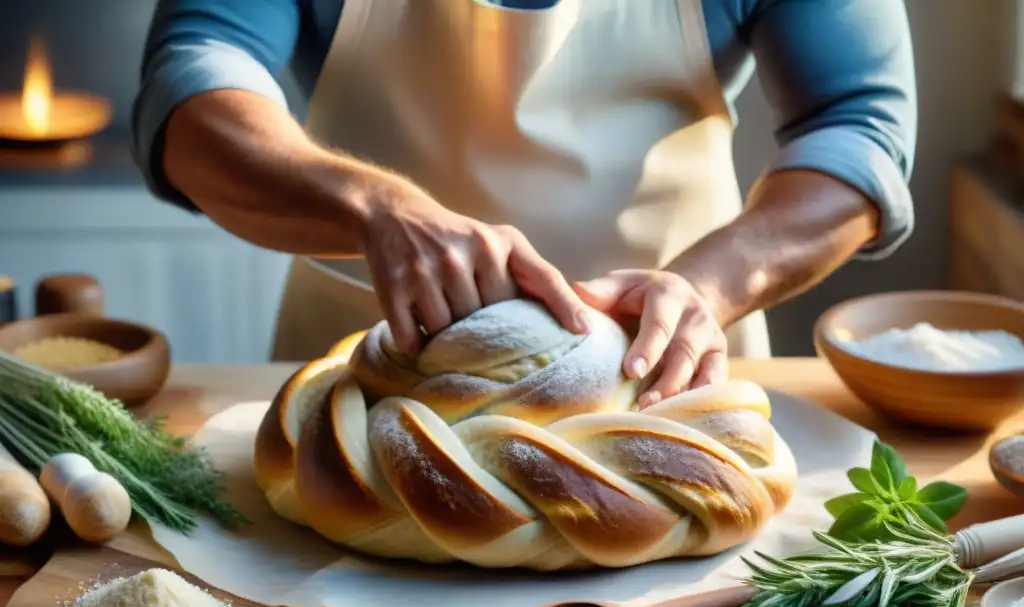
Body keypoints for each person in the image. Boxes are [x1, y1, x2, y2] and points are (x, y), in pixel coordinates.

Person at [133, 0, 915, 408]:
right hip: (365, 392)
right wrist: (374, 206)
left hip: (668, 384)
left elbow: (858, 125)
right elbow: (193, 84)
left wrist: (713, 283)